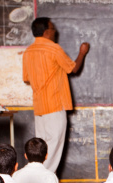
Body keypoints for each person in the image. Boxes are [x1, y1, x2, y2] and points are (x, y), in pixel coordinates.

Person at [22, 17, 90, 173]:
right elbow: (72, 69)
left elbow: (26, 78)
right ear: (46, 32)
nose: (55, 32)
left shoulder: (28, 52)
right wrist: (82, 53)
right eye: (53, 29)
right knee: (53, 146)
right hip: (55, 104)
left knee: (41, 147)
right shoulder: (53, 48)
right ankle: (44, 180)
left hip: (39, 107)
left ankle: (36, 177)